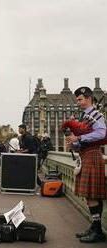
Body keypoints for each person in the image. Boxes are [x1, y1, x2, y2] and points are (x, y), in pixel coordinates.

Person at [66, 86, 106, 243]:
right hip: (86, 155)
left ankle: (97, 231)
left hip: (93, 156)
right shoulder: (85, 117)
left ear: (89, 98)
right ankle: (95, 227)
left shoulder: (96, 115)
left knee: (93, 195)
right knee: (89, 196)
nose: (78, 102)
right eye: (77, 100)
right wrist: (73, 144)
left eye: (80, 99)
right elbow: (84, 140)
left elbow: (102, 133)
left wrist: (79, 139)